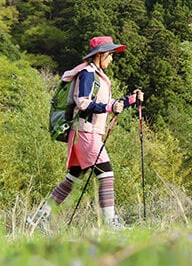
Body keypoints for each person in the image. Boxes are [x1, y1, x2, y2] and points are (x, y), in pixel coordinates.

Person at [28, 36, 143, 232]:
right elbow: (83, 103)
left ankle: (40, 218)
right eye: (110, 55)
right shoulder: (87, 73)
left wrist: (129, 100)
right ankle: (110, 222)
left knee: (73, 178)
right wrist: (109, 107)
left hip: (85, 133)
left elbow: (103, 103)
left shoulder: (96, 74)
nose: (112, 59)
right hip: (85, 133)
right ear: (99, 55)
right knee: (106, 174)